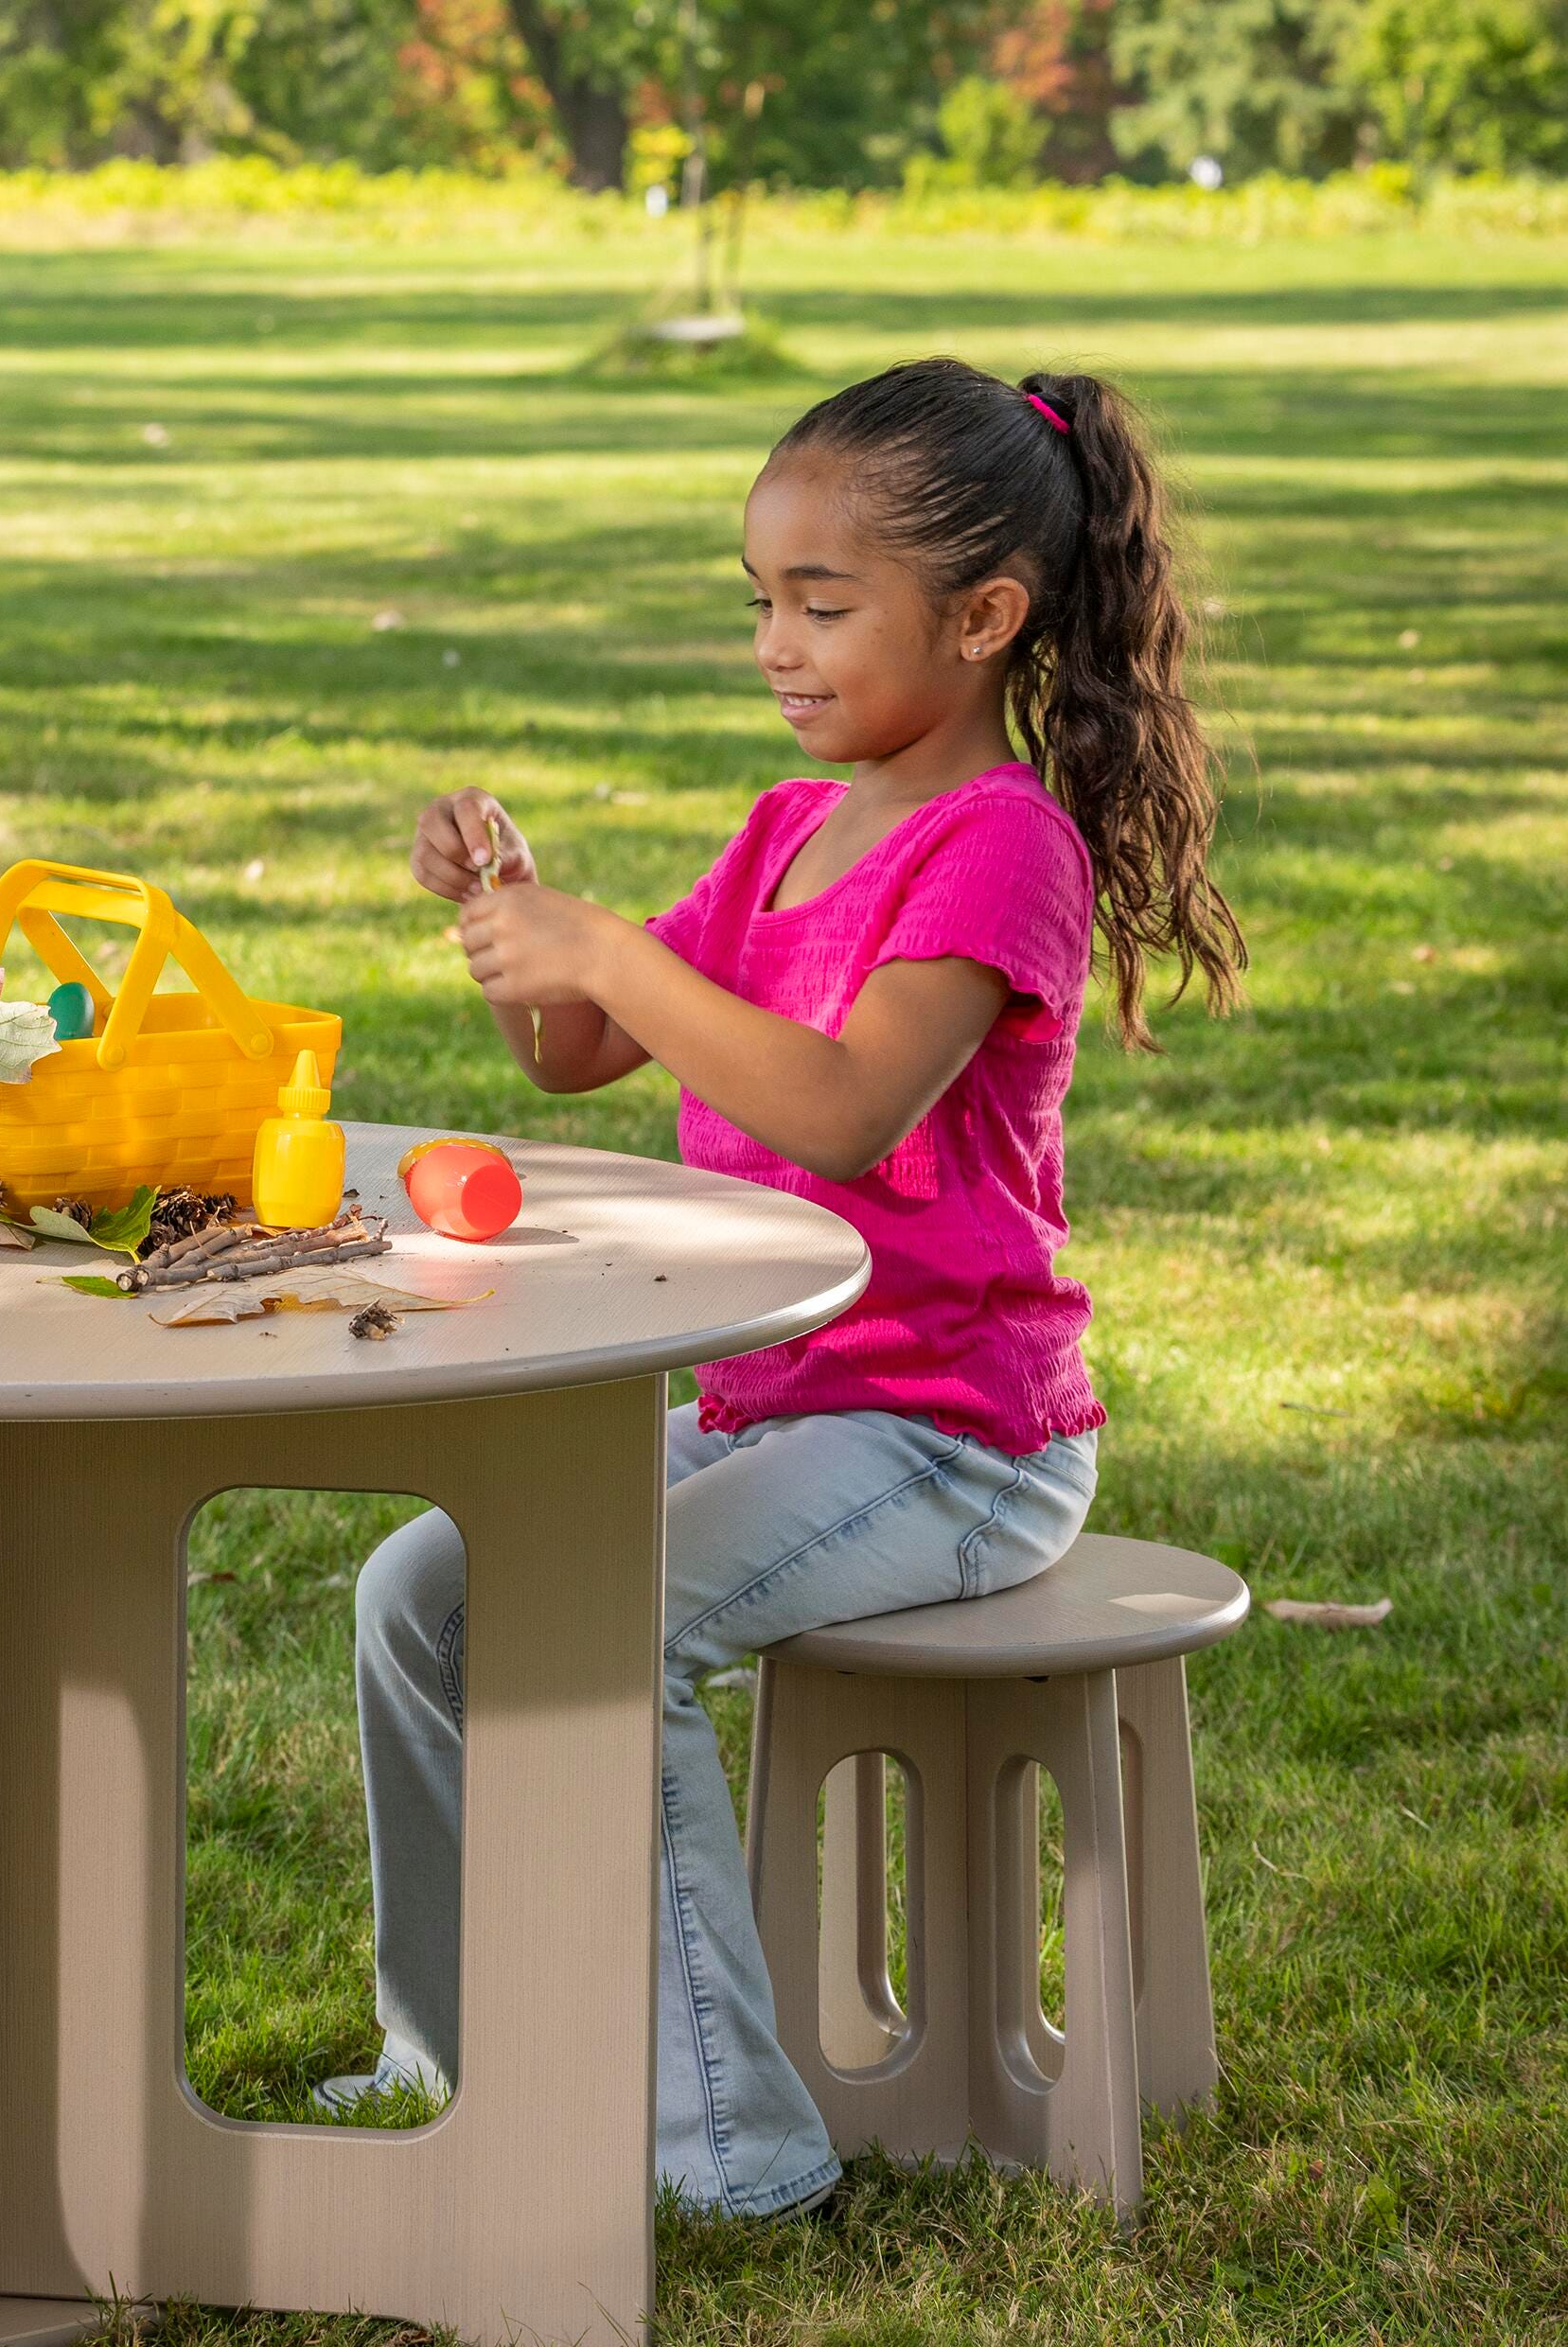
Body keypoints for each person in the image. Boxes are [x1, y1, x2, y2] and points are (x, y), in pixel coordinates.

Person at [345, 359, 1243, 2217]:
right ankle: (452, 2055)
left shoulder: (1001, 845)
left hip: (952, 1441)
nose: (777, 644)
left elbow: (842, 1110)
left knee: (601, 1623)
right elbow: (577, 1054)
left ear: (983, 619)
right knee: (419, 1593)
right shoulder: (783, 830)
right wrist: (516, 910)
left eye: (823, 607)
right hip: (780, 1406)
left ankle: (739, 2157)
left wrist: (611, 951)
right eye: (762, 600)